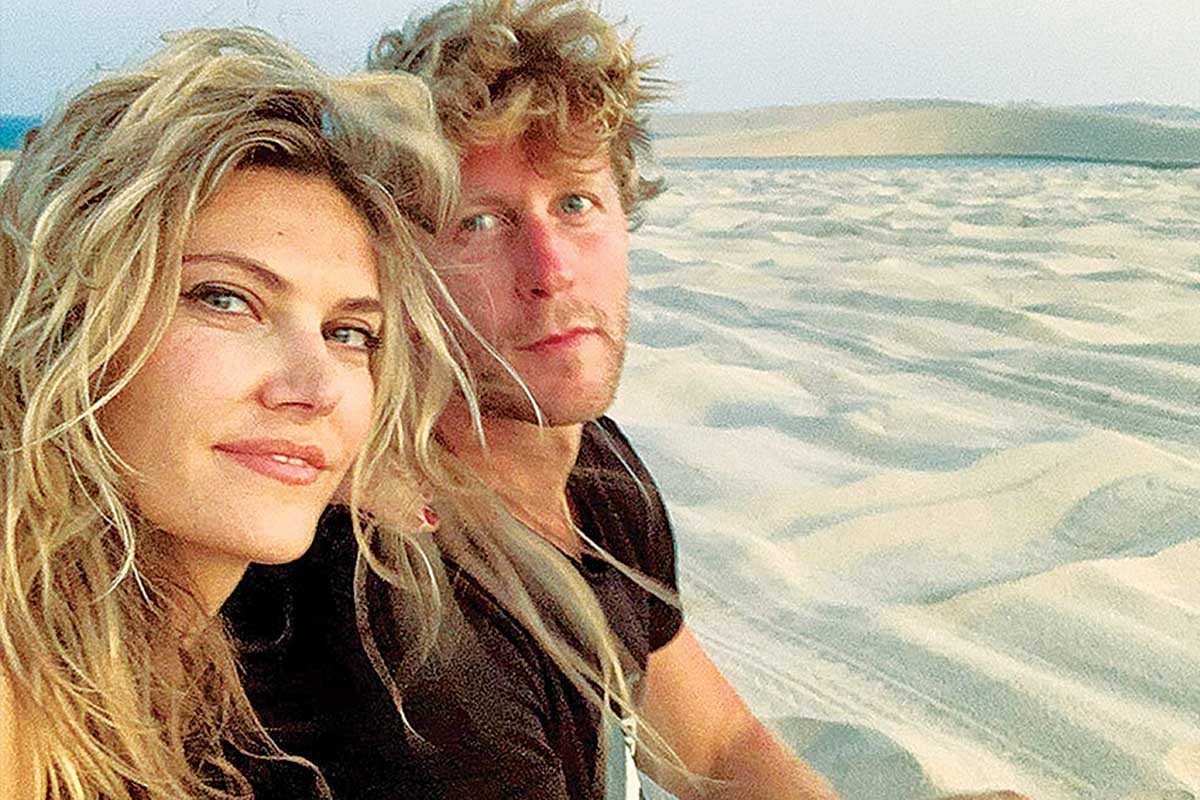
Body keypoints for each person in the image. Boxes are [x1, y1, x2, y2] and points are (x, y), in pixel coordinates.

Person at [228, 2, 839, 798]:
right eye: (479, 222)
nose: (549, 269)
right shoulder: (405, 628)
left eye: (576, 203)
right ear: (399, 273)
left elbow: (718, 745)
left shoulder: (596, 464)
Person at [0, 28, 469, 799]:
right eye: (225, 299)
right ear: (70, 325)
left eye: (349, 333)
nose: (316, 387)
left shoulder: (189, 673)